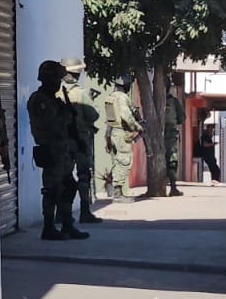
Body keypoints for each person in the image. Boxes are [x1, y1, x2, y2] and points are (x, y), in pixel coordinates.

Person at [27, 60, 90, 241]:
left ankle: (67, 224)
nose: (59, 83)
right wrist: (66, 113)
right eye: (56, 79)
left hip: (62, 150)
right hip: (50, 149)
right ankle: (48, 227)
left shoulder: (53, 99)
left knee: (69, 186)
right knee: (52, 190)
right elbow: (51, 125)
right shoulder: (40, 101)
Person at [59, 57, 101, 223]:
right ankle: (84, 211)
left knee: (64, 177)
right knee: (83, 176)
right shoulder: (81, 93)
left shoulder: (56, 92)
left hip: (62, 141)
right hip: (80, 141)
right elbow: (94, 115)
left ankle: (61, 213)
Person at [99, 76, 142, 201]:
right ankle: (118, 194)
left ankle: (117, 192)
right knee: (124, 162)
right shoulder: (122, 98)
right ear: (126, 85)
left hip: (112, 132)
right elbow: (127, 116)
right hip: (121, 133)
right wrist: (138, 127)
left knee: (117, 162)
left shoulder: (111, 96)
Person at [164, 79, 185, 197]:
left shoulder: (153, 101)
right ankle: (172, 187)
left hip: (157, 136)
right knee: (171, 161)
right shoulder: (174, 101)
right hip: (170, 135)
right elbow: (182, 118)